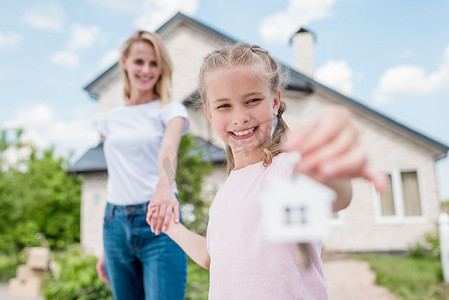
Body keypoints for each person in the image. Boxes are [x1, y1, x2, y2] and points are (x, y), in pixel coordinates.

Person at [147, 42, 386, 299]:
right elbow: (211, 258)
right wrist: (170, 226)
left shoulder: (285, 169)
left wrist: (330, 162)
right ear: (209, 114)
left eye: (252, 100)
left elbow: (336, 194)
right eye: (224, 106)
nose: (240, 117)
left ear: (275, 101)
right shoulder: (227, 190)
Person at [95, 30, 189, 300]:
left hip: (159, 223)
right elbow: (118, 175)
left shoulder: (171, 111)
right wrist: (107, 246)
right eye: (139, 61)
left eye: (153, 63)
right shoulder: (110, 119)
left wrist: (165, 187)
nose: (146, 70)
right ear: (124, 62)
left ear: (162, 69)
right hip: (114, 226)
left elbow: (169, 149)